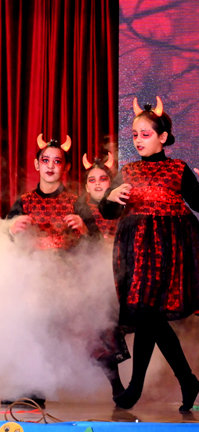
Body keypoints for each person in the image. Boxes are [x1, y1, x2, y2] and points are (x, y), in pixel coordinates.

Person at [100, 96, 199, 412]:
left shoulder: (177, 168)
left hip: (168, 251)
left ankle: (138, 387)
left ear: (163, 137)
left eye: (146, 134)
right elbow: (109, 212)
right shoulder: (128, 171)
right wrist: (110, 197)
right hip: (137, 253)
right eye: (135, 135)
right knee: (148, 316)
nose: (138, 140)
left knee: (148, 315)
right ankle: (186, 381)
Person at [4, 134, 100, 406]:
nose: (50, 166)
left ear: (65, 167)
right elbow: (6, 241)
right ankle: (27, 386)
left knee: (47, 329)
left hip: (66, 279)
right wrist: (11, 229)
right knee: (27, 327)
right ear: (37, 164)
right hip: (31, 277)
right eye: (45, 160)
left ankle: (37, 388)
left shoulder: (76, 202)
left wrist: (83, 229)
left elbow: (96, 244)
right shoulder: (24, 201)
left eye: (57, 161)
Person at [79, 153, 131, 398]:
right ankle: (117, 387)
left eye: (103, 179)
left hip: (123, 277)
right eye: (92, 180)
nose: (98, 184)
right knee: (103, 331)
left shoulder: (123, 208)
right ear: (85, 186)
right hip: (91, 281)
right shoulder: (80, 210)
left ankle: (143, 382)